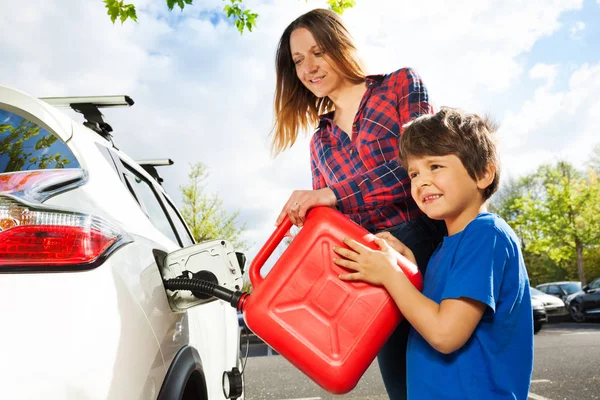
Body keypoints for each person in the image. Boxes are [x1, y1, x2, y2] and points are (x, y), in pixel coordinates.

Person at [270, 8, 446, 399]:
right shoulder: (320, 142)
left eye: (317, 52)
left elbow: (420, 170)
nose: (309, 67)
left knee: (449, 375)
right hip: (373, 271)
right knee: (402, 389)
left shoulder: (400, 85)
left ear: (340, 45)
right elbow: (334, 222)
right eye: (298, 61)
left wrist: (331, 195)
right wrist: (309, 217)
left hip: (429, 249)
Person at [333, 107, 534, 399]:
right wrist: (408, 269)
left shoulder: (486, 235)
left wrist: (390, 275)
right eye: (414, 173)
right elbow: (434, 313)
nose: (421, 181)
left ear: (483, 173)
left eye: (435, 167)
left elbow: (445, 334)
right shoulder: (445, 248)